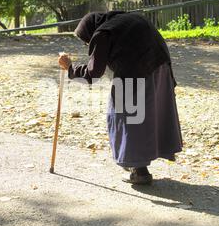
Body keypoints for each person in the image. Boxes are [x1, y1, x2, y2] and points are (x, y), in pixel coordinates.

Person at [58, 11, 182, 185]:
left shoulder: (102, 33)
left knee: (125, 117)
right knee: (149, 114)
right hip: (161, 67)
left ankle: (139, 171)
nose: (87, 43)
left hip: (136, 71)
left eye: (86, 39)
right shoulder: (125, 19)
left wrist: (70, 68)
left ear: (90, 30)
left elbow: (93, 74)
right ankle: (138, 164)